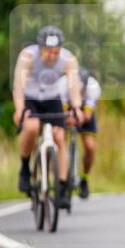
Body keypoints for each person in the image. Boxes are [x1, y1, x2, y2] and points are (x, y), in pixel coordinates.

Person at [12, 26, 84, 209]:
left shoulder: (68, 59)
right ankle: (25, 168)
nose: (52, 56)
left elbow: (73, 86)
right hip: (30, 97)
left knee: (59, 137)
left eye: (55, 51)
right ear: (40, 47)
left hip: (52, 98)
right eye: (48, 51)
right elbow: (18, 86)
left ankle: (61, 185)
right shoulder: (27, 56)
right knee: (32, 126)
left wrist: (76, 107)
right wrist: (20, 109)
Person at [57, 67, 102, 199]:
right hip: (66, 106)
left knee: (90, 146)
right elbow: (63, 110)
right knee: (60, 140)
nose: (79, 92)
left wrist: (80, 118)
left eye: (81, 89)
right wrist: (67, 118)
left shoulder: (93, 88)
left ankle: (84, 179)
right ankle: (62, 178)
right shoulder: (62, 85)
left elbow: (87, 115)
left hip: (83, 109)